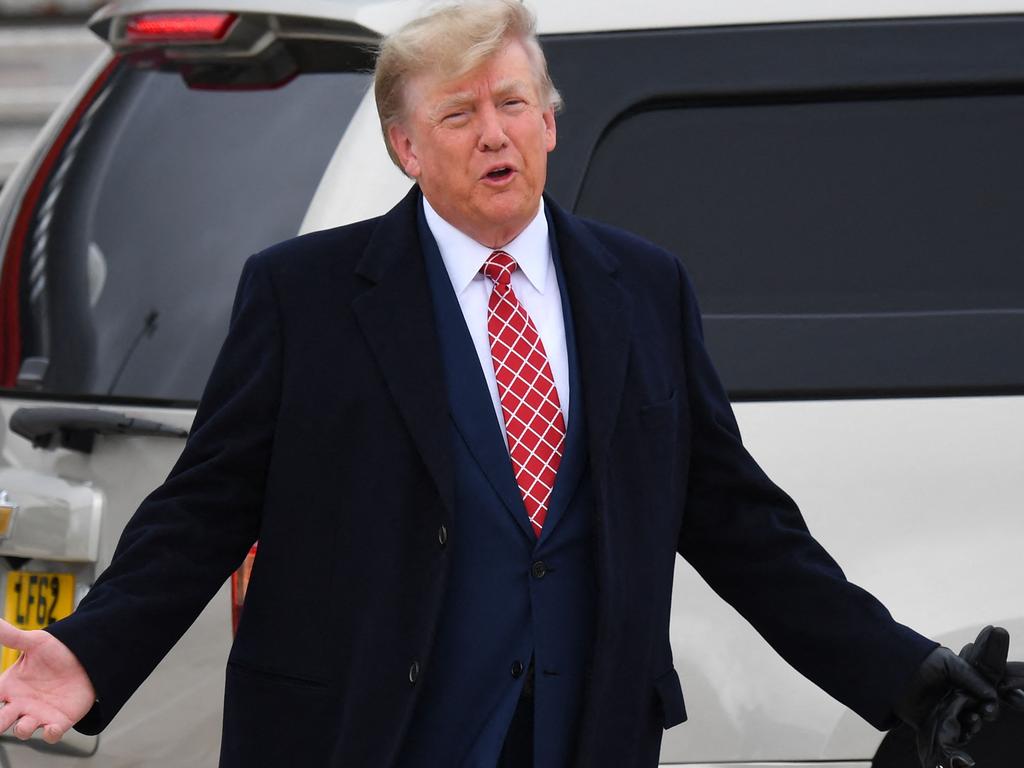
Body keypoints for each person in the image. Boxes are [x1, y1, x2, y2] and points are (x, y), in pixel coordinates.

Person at [0, 2, 1020, 767]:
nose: (493, 133)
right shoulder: (305, 294)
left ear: (548, 125)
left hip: (580, 736)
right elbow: (204, 504)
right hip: (372, 737)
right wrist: (92, 653)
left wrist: (905, 679)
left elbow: (739, 523)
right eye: (457, 114)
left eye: (512, 105)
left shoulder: (641, 289)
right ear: (406, 147)